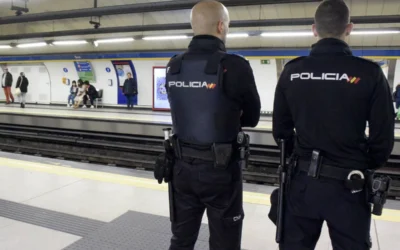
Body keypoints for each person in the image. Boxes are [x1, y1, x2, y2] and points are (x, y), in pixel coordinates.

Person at [270, 1, 395, 250]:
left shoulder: (292, 71)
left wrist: (303, 158)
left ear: (314, 29)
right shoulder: (370, 74)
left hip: (301, 184)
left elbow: (281, 132)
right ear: (349, 28)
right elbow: (383, 138)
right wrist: (361, 163)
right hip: (349, 186)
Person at [164, 1, 261, 249]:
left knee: (181, 240)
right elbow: (251, 118)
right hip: (221, 172)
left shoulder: (173, 65)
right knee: (224, 243)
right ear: (221, 26)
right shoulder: (235, 65)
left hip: (180, 169)